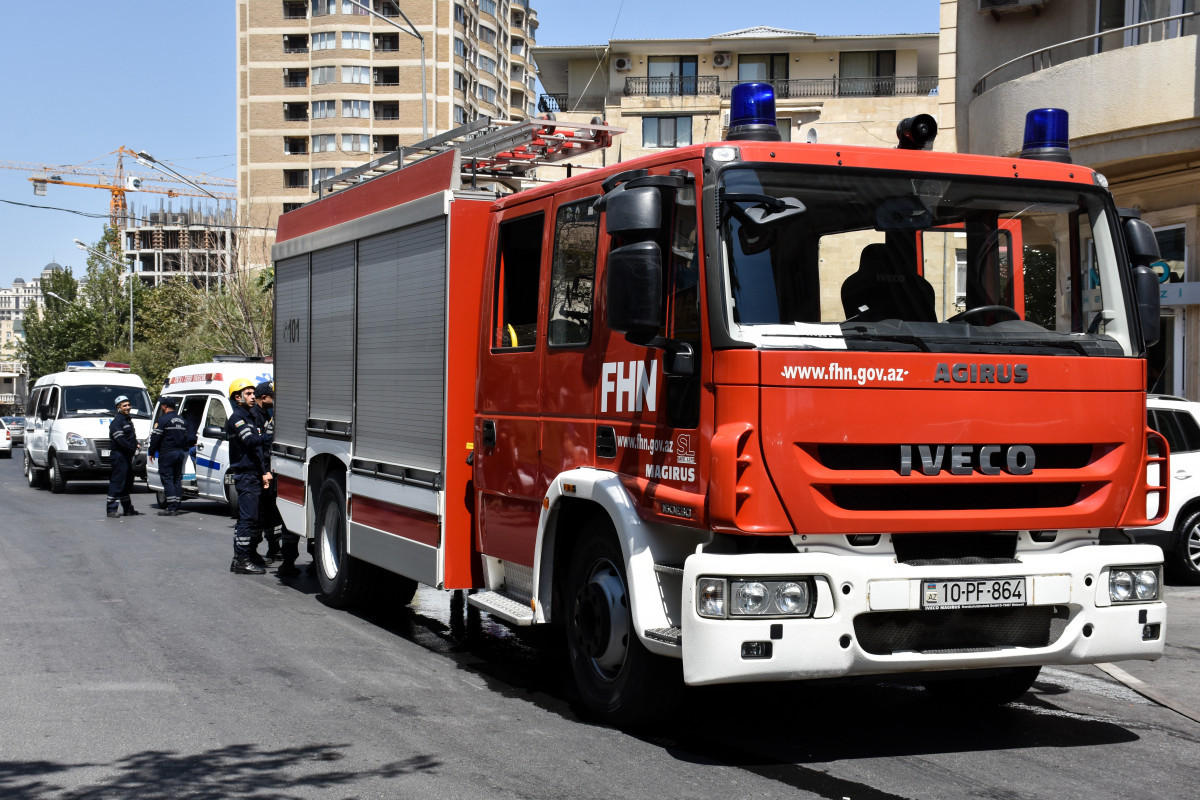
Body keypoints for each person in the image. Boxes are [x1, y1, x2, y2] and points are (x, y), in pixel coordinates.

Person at [252, 381, 302, 578]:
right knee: (269, 514)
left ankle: (281, 553)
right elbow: (260, 446)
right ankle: (269, 551)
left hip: (280, 471)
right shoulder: (265, 416)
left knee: (279, 515)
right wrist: (265, 471)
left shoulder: (275, 417)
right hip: (275, 472)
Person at [226, 378, 272, 574]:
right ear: (238, 398)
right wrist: (270, 432)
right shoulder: (237, 418)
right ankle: (241, 559)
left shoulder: (251, 418)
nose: (253, 396)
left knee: (254, 518)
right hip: (245, 475)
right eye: (248, 393)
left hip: (254, 474)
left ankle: (249, 554)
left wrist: (263, 473)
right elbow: (251, 441)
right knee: (247, 519)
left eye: (254, 393)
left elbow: (258, 453)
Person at [148, 396, 195, 516]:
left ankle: (171, 507)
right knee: (176, 478)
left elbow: (156, 437)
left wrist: (152, 451)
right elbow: (188, 438)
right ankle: (177, 505)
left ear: (164, 406)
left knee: (167, 478)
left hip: (167, 452)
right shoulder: (182, 420)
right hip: (179, 453)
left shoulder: (163, 420)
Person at [106, 395, 141, 518]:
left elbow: (132, 436)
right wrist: (132, 448)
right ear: (118, 407)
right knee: (117, 482)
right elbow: (120, 440)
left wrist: (136, 444)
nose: (128, 407)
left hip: (126, 456)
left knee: (127, 483)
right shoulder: (117, 422)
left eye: (128, 405)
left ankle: (128, 509)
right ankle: (111, 509)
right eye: (124, 405)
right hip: (119, 456)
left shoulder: (128, 420)